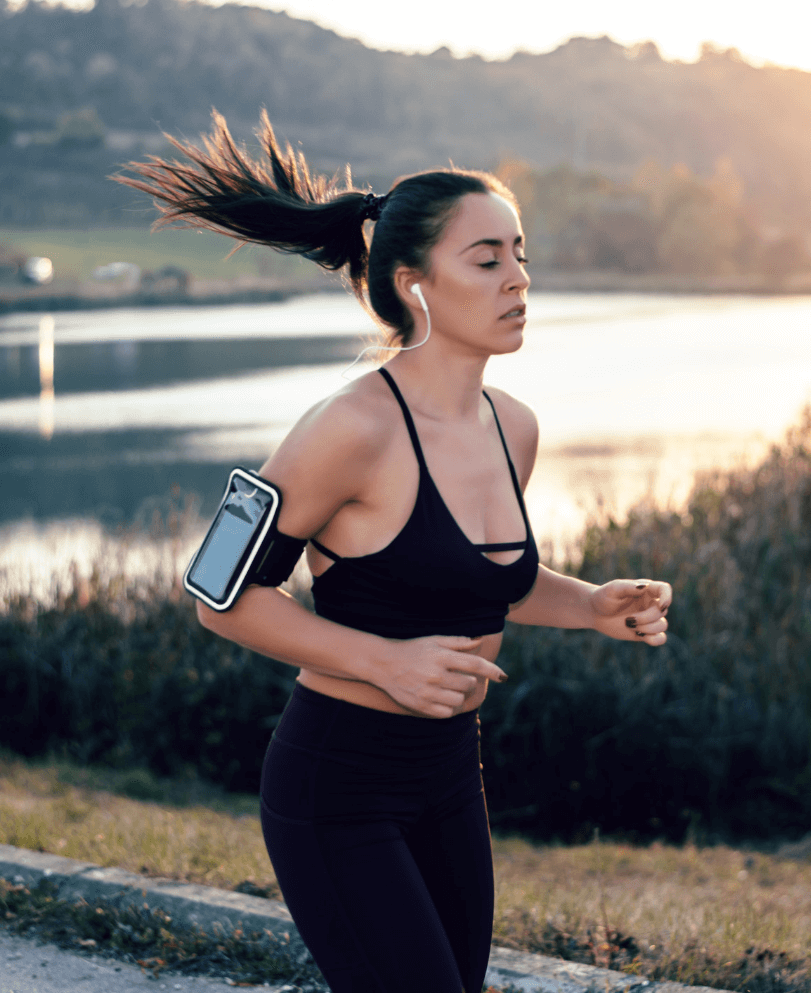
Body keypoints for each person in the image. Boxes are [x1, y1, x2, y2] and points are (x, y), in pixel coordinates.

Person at [115, 111, 672, 993]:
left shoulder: (512, 426)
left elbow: (477, 582)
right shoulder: (348, 427)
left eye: (520, 254)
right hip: (337, 785)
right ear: (414, 285)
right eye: (486, 260)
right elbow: (219, 597)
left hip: (451, 776)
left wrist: (590, 604)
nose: (518, 279)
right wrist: (387, 665)